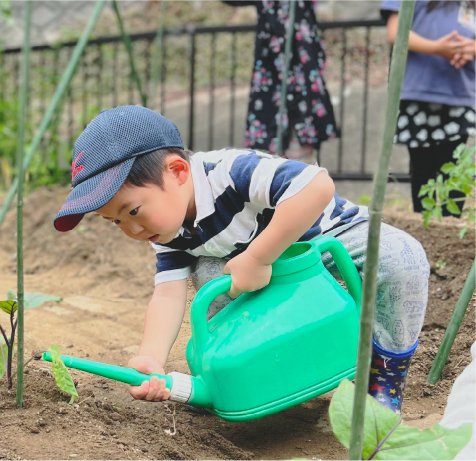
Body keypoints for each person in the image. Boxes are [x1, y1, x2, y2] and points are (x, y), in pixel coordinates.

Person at [53, 105, 429, 414]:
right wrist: (150, 358)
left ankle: (384, 373)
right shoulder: (165, 231)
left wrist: (260, 255)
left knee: (401, 258)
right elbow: (167, 295)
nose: (130, 229)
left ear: (178, 171)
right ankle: (254, 369)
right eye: (115, 221)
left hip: (323, 237)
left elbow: (317, 185)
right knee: (210, 274)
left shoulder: (231, 171)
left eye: (132, 210)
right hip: (255, 273)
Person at [380, 0, 476, 217]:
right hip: (418, 93)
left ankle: (450, 224)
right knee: (423, 168)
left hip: (458, 93)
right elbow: (395, 33)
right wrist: (437, 48)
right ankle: (426, 225)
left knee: (454, 166)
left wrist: (470, 48)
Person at [224, 1, 340, 165]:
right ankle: (279, 184)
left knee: (301, 155)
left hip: (302, 71)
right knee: (270, 156)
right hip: (270, 75)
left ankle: (304, 184)